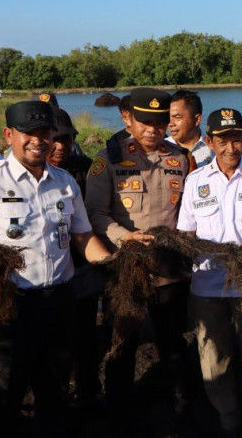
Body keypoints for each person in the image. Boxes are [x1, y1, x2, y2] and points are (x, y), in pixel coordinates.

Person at [0, 100, 111, 437]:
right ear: (9, 135)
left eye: (45, 132)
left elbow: (82, 238)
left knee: (54, 392)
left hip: (59, 302)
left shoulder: (65, 182)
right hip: (10, 307)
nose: (38, 140)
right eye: (29, 133)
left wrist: (116, 265)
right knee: (4, 390)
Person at [85, 87, 191, 427]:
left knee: (172, 341)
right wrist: (122, 237)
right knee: (123, 342)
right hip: (126, 267)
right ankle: (119, 412)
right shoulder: (108, 158)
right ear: (127, 118)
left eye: (160, 122)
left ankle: (178, 407)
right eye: (145, 122)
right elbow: (95, 213)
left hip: (169, 267)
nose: (153, 129)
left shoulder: (181, 158)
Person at [177, 108, 242, 438]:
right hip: (207, 283)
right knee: (213, 355)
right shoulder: (195, 180)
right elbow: (186, 231)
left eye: (237, 139)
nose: (231, 147)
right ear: (209, 141)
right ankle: (228, 417)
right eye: (223, 140)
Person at [45, 107, 101, 409]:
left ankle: (89, 392)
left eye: (65, 139)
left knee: (86, 335)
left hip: (83, 268)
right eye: (53, 139)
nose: (59, 146)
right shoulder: (28, 174)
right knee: (53, 342)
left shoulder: (87, 168)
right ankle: (56, 397)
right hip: (46, 274)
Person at [166, 90, 213, 169]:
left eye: (177, 117)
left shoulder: (214, 150)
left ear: (197, 119)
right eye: (167, 117)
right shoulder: (161, 148)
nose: (170, 124)